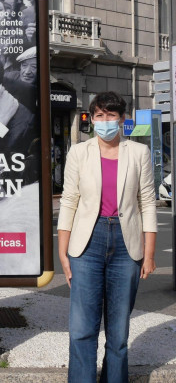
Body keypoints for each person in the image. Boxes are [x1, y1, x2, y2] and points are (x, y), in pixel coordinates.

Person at [57, 92, 157, 383]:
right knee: (82, 329)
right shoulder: (79, 152)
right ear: (92, 119)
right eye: (99, 115)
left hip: (127, 245)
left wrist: (149, 255)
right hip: (87, 242)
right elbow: (69, 201)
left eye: (111, 115)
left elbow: (147, 202)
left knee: (118, 332)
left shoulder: (138, 153)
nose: (105, 121)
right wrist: (63, 252)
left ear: (122, 119)